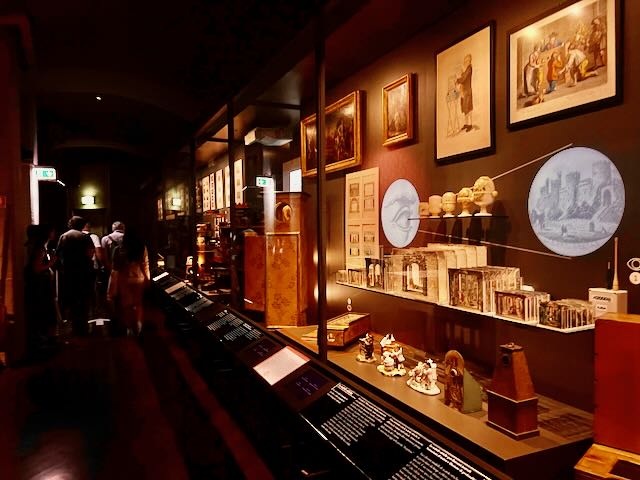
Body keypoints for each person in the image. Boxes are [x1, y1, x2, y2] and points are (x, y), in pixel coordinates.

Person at [56, 216, 95, 336]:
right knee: (83, 300)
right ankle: (83, 326)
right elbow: (90, 253)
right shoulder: (85, 237)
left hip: (69, 272)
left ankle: (74, 326)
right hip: (83, 272)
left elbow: (58, 253)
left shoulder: (64, 236)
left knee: (72, 300)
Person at [107, 228, 150, 336]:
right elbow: (145, 265)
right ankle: (139, 326)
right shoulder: (142, 248)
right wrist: (147, 279)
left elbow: (115, 268)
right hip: (139, 278)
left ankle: (129, 328)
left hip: (124, 279)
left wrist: (112, 284)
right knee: (138, 304)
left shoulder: (118, 249)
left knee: (126, 305)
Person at [24, 224, 58, 352]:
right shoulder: (39, 249)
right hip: (39, 286)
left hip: (37, 285)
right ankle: (44, 341)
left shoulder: (33, 247)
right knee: (43, 312)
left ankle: (43, 340)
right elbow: (36, 268)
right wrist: (51, 262)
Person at [456, 54, 473, 132]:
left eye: (466, 61)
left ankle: (470, 124)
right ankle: (466, 124)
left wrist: (457, 80)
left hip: (467, 92)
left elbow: (463, 79)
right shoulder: (466, 69)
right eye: (465, 61)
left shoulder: (469, 68)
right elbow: (463, 77)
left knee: (468, 108)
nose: (465, 62)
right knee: (464, 108)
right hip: (463, 92)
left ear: (469, 61)